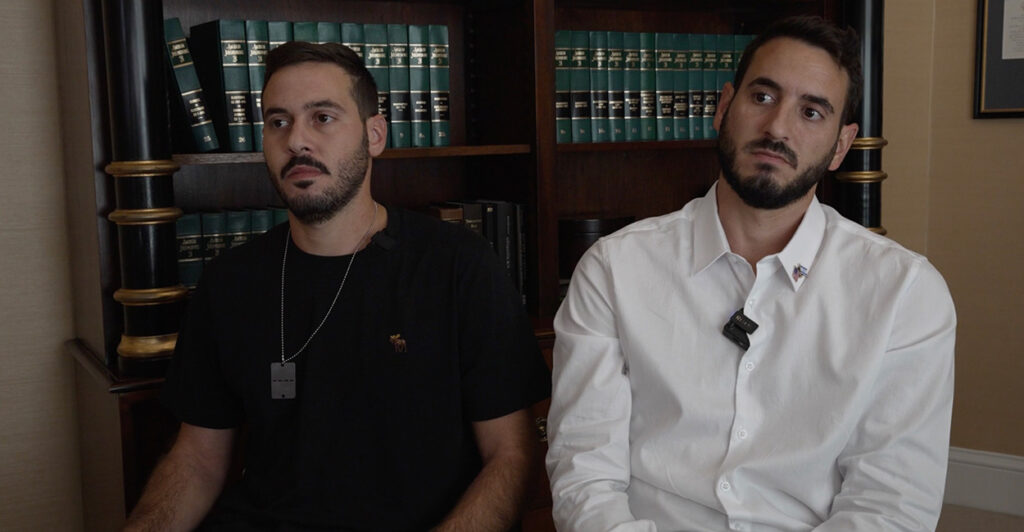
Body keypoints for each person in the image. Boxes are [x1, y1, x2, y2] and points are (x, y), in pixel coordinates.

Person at [546, 16, 955, 532]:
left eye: (811, 112)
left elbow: (889, 506)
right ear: (723, 107)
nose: (778, 128)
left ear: (841, 146)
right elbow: (585, 477)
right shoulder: (613, 269)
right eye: (763, 97)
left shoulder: (906, 294)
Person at [125, 42, 550, 531]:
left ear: (374, 135)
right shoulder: (230, 280)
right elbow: (198, 459)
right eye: (278, 122)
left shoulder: (458, 264)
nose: (297, 141)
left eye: (322, 118)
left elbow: (511, 456)